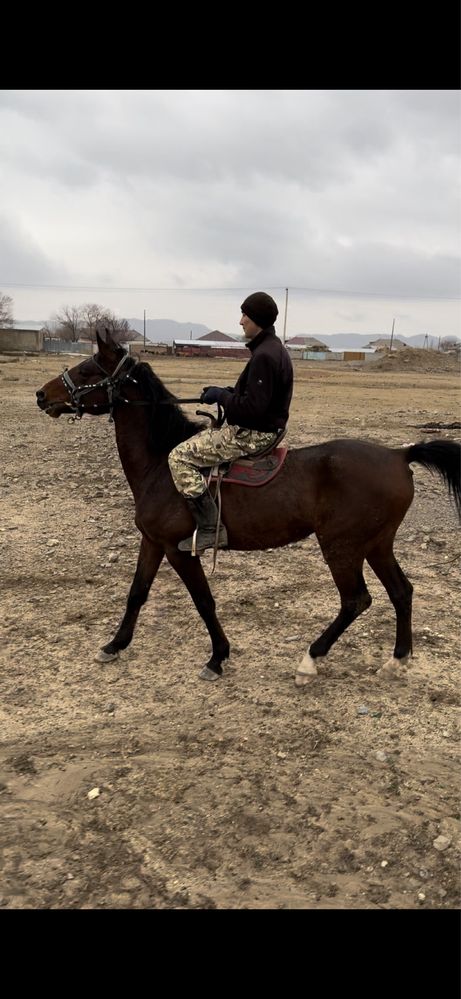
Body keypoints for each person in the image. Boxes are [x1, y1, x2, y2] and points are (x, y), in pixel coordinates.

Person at [168, 291, 294, 553]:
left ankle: (210, 528)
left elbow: (253, 410)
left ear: (256, 319)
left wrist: (222, 396)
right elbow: (258, 397)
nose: (240, 321)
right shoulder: (272, 350)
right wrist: (226, 392)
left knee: (178, 456)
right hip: (266, 428)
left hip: (252, 434)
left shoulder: (264, 356)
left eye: (245, 316)